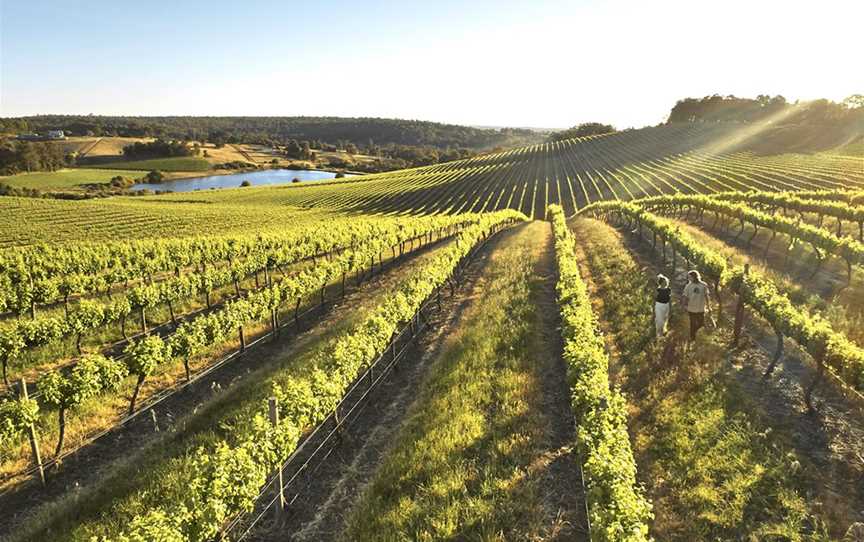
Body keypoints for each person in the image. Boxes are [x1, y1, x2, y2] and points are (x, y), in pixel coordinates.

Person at [682, 270, 711, 341]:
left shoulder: (704, 285)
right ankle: (692, 338)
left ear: (695, 277)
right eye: (688, 277)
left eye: (690, 277)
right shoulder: (688, 286)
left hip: (701, 308)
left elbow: (707, 296)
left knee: (701, 323)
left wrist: (709, 306)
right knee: (692, 324)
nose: (689, 279)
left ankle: (694, 333)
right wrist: (683, 305)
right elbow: (685, 297)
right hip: (691, 308)